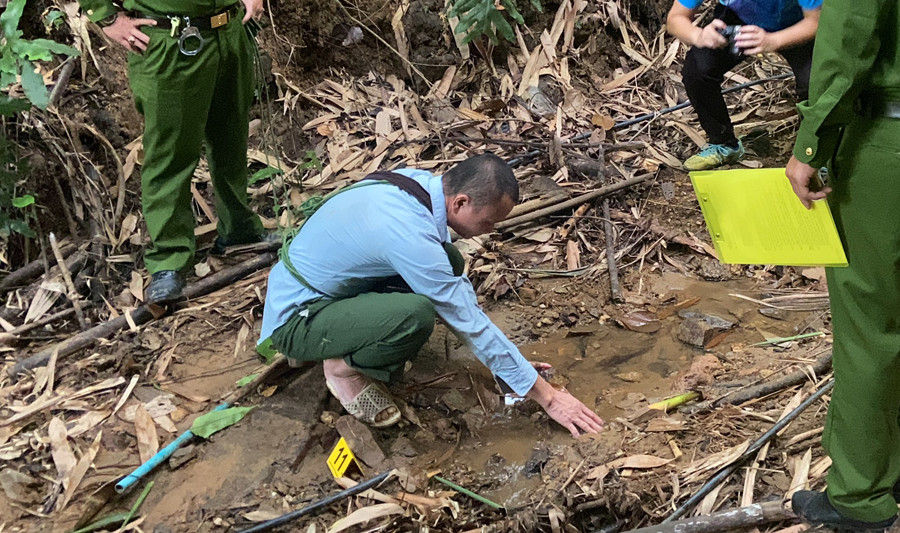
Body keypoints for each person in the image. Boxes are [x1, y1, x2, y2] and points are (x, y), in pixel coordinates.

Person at [259, 154, 604, 436]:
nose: (492, 230)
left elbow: (459, 298)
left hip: (325, 285)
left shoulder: (419, 186)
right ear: (461, 202)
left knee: (450, 260)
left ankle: (348, 335)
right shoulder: (409, 234)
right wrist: (547, 397)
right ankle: (342, 368)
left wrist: (513, 371)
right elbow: (467, 321)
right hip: (297, 318)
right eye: (488, 222)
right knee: (415, 315)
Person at [785, 0, 900, 530]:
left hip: (888, 144)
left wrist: (812, 145)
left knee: (869, 324)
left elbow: (849, 39)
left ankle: (860, 495)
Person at [77, 0, 275, 304]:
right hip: (171, 41)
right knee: (170, 154)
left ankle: (239, 229)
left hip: (229, 32)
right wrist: (107, 18)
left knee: (231, 139)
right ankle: (169, 260)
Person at [667, 0, 821, 171]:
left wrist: (774, 40)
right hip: (740, 18)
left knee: (817, 81)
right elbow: (675, 18)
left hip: (798, 22)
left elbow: (816, 20)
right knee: (697, 70)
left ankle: (816, 153)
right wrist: (698, 35)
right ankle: (724, 143)